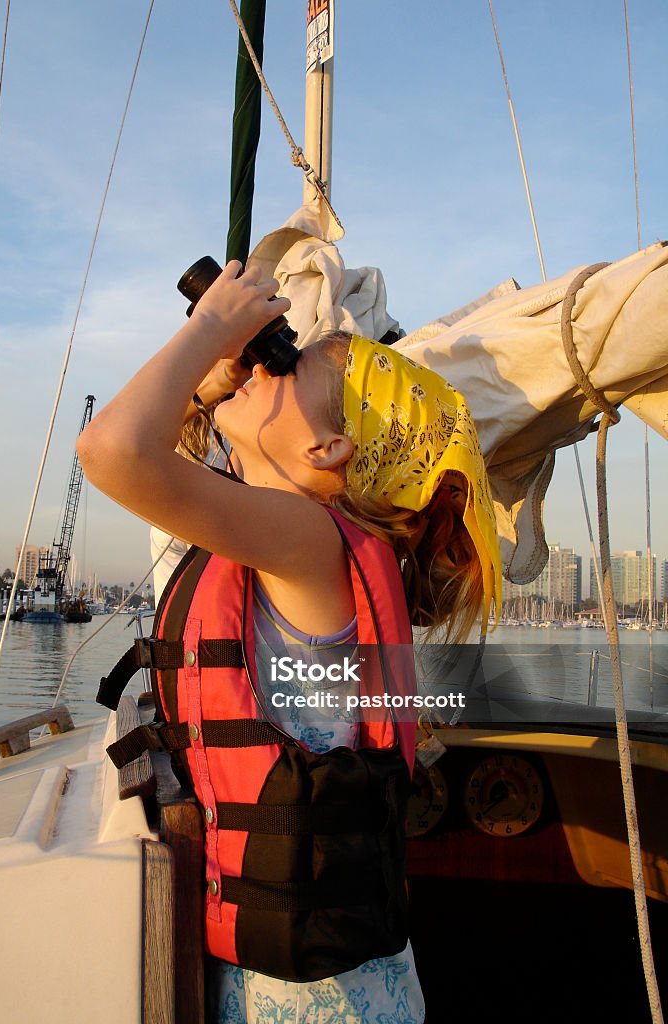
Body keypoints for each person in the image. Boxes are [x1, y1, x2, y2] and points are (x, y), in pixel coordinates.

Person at [78, 261, 501, 1024]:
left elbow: (113, 451)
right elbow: (171, 455)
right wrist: (217, 385)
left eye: (289, 367)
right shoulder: (300, 545)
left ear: (327, 451)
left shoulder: (311, 541)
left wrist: (211, 327)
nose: (268, 365)